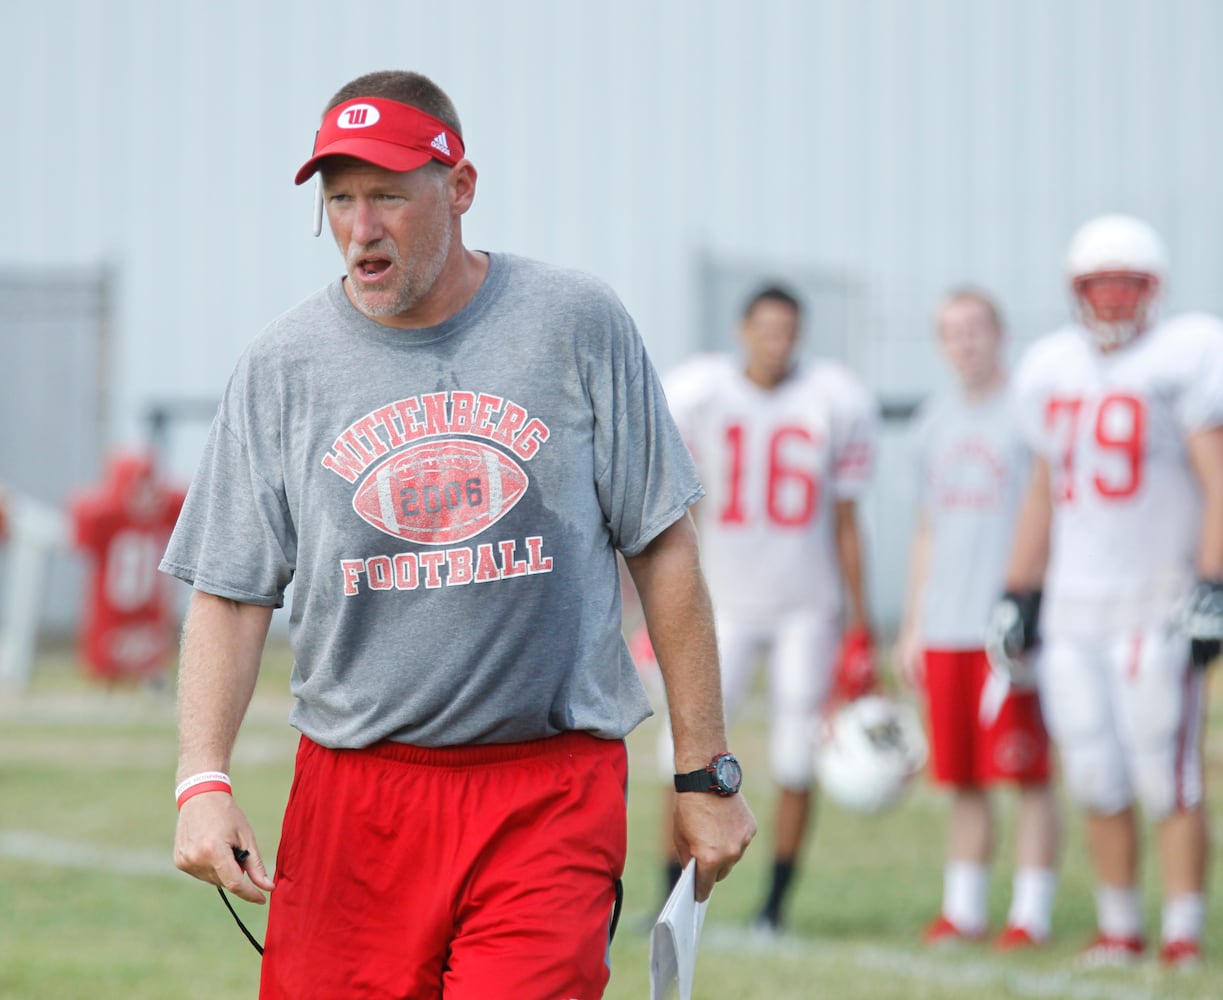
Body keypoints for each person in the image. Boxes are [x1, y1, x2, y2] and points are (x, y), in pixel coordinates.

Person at [161, 69, 756, 999]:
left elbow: (663, 545)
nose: (361, 226)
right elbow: (232, 592)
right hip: (356, 796)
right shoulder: (282, 368)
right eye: (341, 198)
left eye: (389, 195)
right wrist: (202, 778)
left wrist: (705, 772)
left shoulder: (573, 323)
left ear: (461, 188)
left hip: (546, 789)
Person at [988, 214, 1223, 968]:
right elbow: (1040, 489)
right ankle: (1119, 926)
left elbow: (1217, 479)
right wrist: (1017, 592)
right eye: (1100, 286)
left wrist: (1212, 584)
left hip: (1153, 600)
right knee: (1093, 766)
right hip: (1072, 606)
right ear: (1075, 291)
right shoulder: (1052, 366)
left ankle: (1182, 931)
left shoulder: (1184, 356)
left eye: (1128, 285)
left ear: (1152, 291)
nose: (1114, 301)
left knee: (1166, 770)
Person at [653, 284, 877, 934]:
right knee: (681, 751)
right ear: (742, 329)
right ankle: (673, 896)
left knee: (795, 757)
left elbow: (845, 521)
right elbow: (673, 515)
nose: (775, 342)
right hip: (721, 602)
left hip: (806, 604)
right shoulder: (699, 392)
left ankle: (774, 906)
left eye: (787, 330)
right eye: (765, 328)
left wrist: (860, 624)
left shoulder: (833, 399)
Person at [893, 289, 1060, 950]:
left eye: (973, 329)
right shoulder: (932, 423)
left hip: (1007, 627)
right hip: (946, 626)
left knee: (1025, 774)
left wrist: (1032, 600)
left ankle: (1031, 912)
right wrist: (912, 624)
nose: (963, 343)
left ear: (999, 333)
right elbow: (926, 531)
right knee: (961, 776)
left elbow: (1048, 514)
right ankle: (962, 908)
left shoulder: (1029, 415)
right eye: (949, 332)